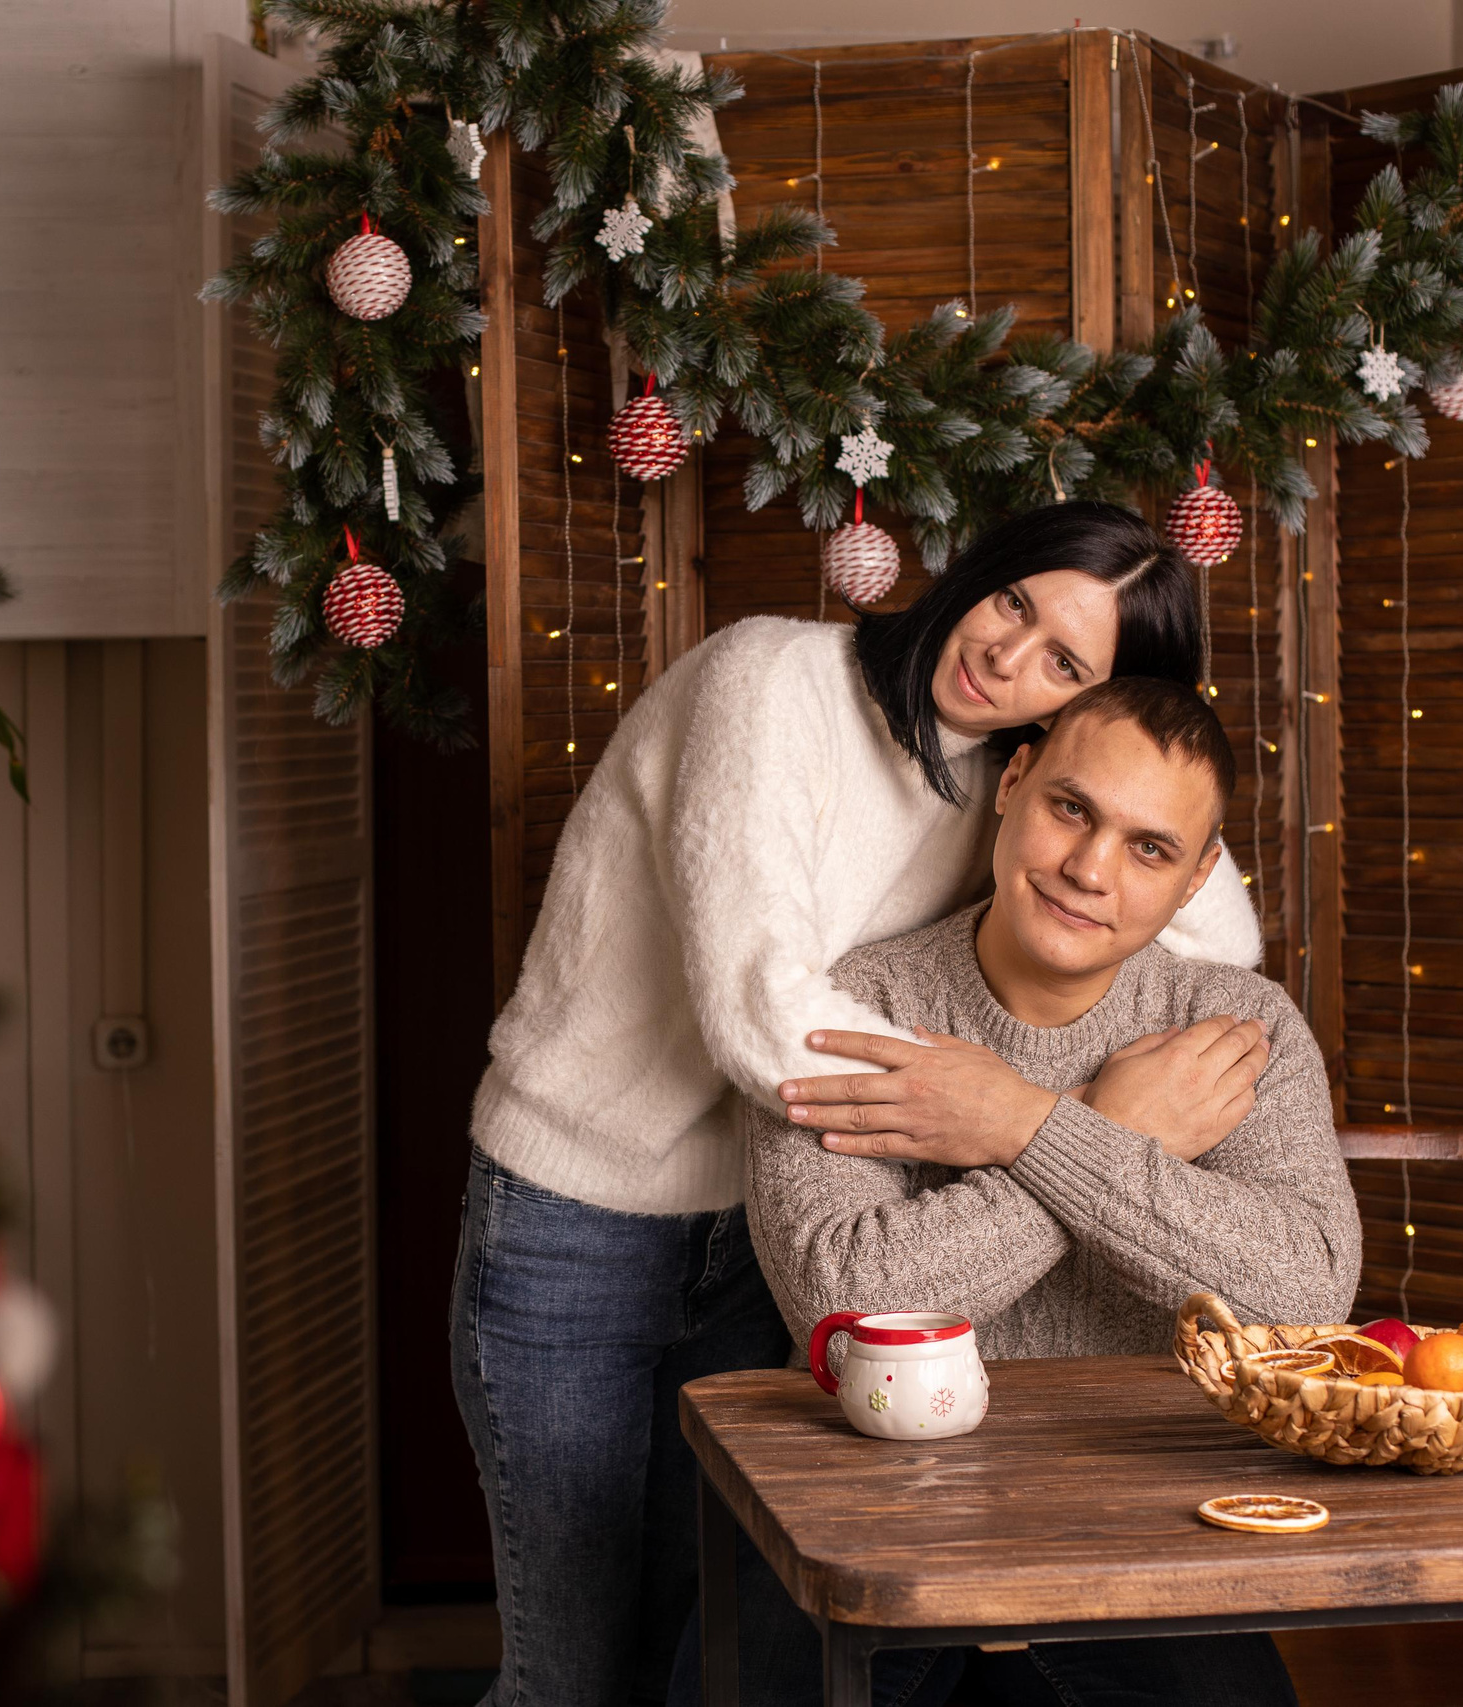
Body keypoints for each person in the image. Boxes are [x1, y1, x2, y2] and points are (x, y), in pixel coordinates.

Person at [452, 502, 1271, 1707]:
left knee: (706, 1642)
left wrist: (1101, 787)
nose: (1007, 656)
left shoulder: (1026, 782)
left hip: (767, 1244)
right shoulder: (771, 676)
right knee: (573, 1674)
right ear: (978, 572)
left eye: (1065, 664)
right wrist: (1051, 1128)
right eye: (1014, 604)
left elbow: (1220, 959)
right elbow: (758, 1004)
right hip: (574, 1218)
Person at [735, 677, 1362, 1707]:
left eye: (1148, 849)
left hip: (1143, 1523)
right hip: (868, 1509)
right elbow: (838, 1305)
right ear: (1013, 781)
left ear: (1196, 878)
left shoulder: (1231, 1029)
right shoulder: (854, 1005)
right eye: (1072, 809)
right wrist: (1104, 1129)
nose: (1087, 869)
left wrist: (1024, 1124)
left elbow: (1303, 1296)